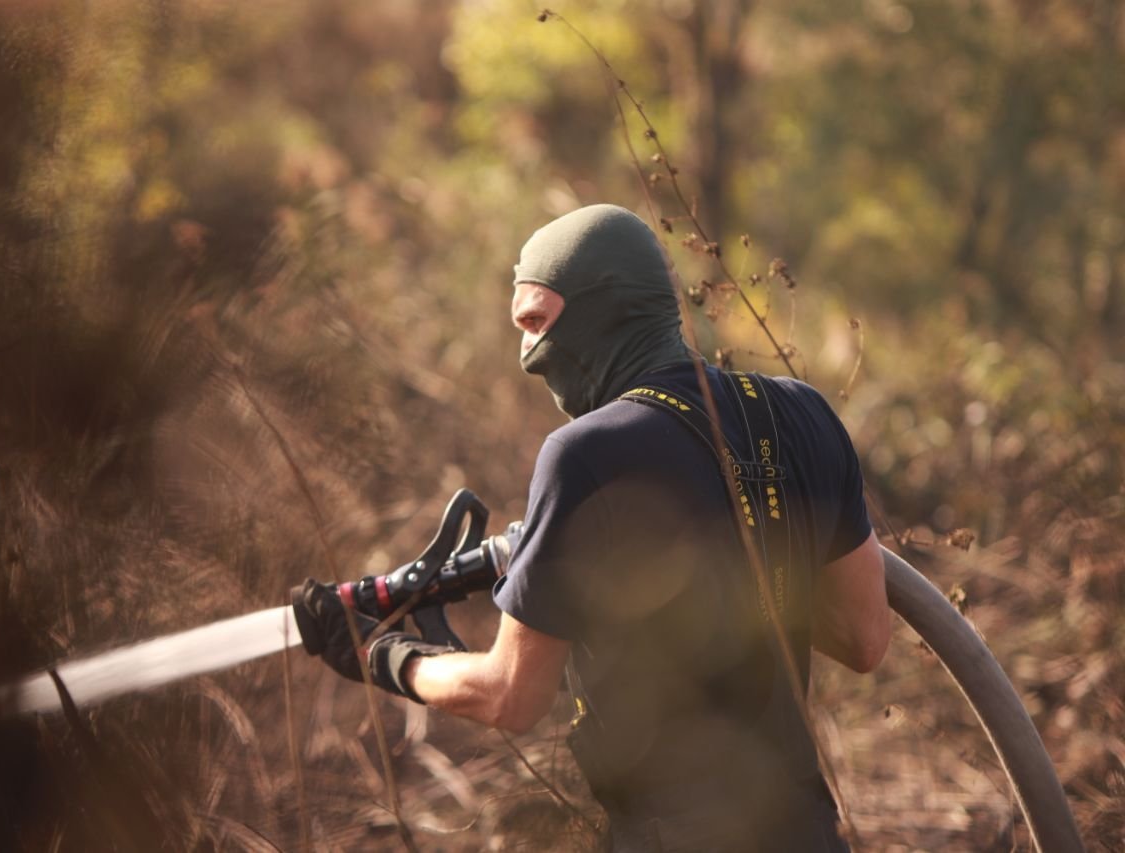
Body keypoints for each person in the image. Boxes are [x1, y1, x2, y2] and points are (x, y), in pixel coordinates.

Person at [294, 204, 891, 851]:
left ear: (601, 308)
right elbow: (865, 639)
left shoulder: (584, 452)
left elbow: (511, 696)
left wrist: (381, 655)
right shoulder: (800, 412)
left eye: (536, 322)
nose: (527, 355)